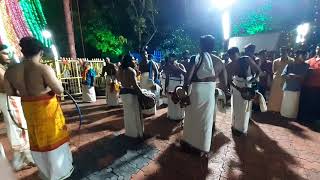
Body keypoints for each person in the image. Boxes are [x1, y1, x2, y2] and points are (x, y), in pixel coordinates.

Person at [4, 37, 74, 179]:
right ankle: (60, 173)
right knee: (52, 137)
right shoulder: (43, 68)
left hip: (29, 109)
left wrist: (27, 93)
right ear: (40, 52)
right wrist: (44, 89)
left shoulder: (10, 72)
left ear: (23, 51)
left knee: (36, 138)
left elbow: (11, 93)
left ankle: (45, 172)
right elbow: (59, 89)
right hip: (46, 109)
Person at [181, 35, 227, 156]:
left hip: (196, 90)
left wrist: (184, 92)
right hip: (210, 91)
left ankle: (188, 142)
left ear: (202, 45)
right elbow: (224, 83)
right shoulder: (220, 61)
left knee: (191, 117)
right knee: (205, 119)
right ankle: (201, 147)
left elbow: (188, 78)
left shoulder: (196, 57)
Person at [0, 44, 34, 171]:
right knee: (17, 128)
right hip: (9, 101)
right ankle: (20, 161)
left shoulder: (5, 68)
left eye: (9, 52)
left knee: (20, 127)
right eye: (4, 53)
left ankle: (26, 159)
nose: (8, 55)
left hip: (11, 101)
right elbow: (9, 87)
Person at [228, 45, 262, 135]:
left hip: (246, 86)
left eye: (233, 56)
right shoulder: (230, 65)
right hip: (236, 88)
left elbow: (258, 72)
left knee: (244, 109)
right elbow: (229, 80)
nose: (232, 58)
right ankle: (235, 126)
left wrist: (250, 81)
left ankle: (242, 129)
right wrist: (238, 88)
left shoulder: (246, 59)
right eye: (230, 57)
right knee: (235, 107)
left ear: (238, 54)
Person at [118, 55, 144, 138]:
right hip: (131, 94)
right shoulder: (131, 71)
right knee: (135, 113)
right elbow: (135, 85)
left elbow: (121, 80)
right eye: (133, 60)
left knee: (127, 114)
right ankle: (136, 134)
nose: (135, 61)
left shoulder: (121, 69)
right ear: (129, 61)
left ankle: (129, 132)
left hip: (123, 93)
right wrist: (143, 94)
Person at [280, 50, 309, 119]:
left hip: (297, 88)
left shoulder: (305, 65)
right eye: (295, 55)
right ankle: (284, 116)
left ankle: (292, 117)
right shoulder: (289, 64)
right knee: (286, 104)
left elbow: (304, 77)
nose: (296, 56)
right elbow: (283, 75)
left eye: (299, 55)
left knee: (294, 105)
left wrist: (295, 76)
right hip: (288, 86)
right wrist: (288, 76)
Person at [298, 45, 320, 122]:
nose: (318, 50)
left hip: (317, 86)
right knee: (305, 102)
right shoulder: (310, 60)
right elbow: (302, 67)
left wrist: (313, 71)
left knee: (315, 103)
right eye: (317, 48)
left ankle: (313, 119)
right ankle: (303, 118)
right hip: (306, 85)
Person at [268, 47, 294, 112]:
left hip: (286, 80)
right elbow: (274, 71)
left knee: (283, 96)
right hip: (276, 80)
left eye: (284, 51)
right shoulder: (275, 61)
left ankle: (282, 109)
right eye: (281, 51)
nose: (282, 53)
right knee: (275, 95)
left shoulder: (292, 61)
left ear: (287, 52)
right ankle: (273, 109)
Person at [163, 53, 186, 121]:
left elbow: (185, 73)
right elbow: (167, 77)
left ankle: (179, 116)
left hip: (178, 84)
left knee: (178, 99)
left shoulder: (180, 65)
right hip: (171, 84)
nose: (171, 59)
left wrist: (178, 68)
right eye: (170, 58)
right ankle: (171, 115)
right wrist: (165, 88)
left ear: (175, 58)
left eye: (173, 57)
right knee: (171, 99)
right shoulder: (168, 66)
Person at [138, 50, 160, 114]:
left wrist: (155, 80)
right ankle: (145, 110)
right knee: (144, 94)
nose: (144, 56)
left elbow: (156, 72)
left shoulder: (151, 62)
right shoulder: (140, 63)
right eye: (143, 55)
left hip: (150, 81)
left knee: (152, 95)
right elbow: (139, 72)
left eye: (145, 54)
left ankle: (152, 110)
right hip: (143, 81)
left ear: (147, 55)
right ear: (141, 56)